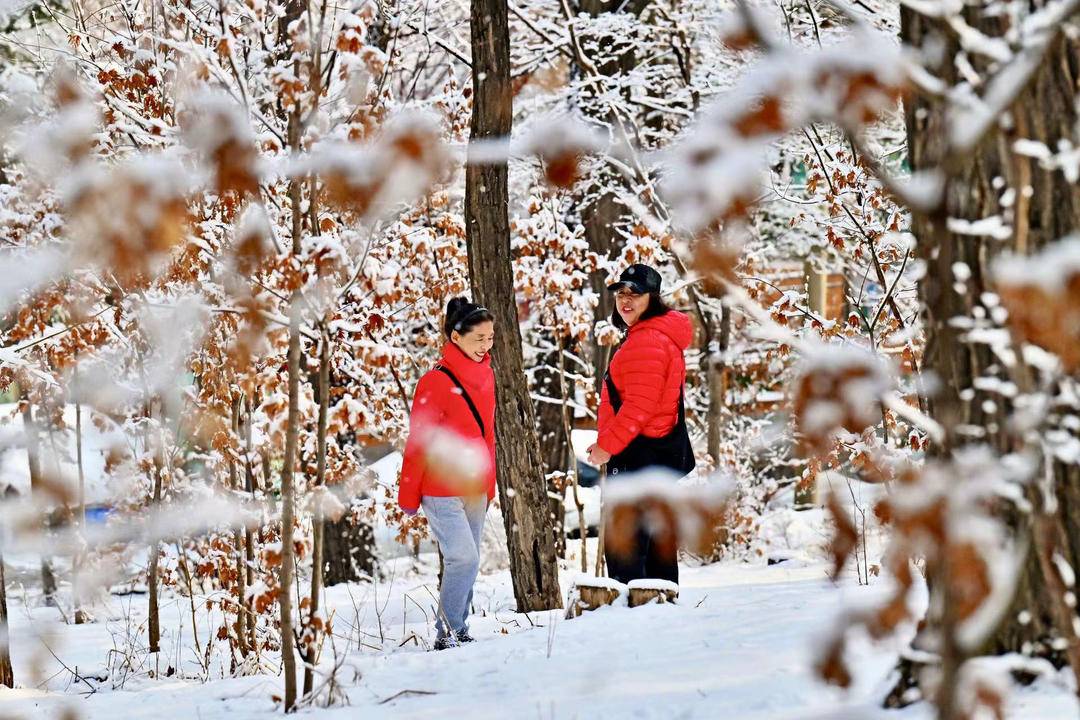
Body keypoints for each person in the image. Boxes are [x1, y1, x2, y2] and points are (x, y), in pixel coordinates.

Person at [587, 263, 695, 586]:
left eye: (635, 293)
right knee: (656, 553)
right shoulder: (659, 337)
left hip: (637, 456)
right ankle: (659, 620)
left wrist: (607, 447)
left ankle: (630, 626)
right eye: (621, 293)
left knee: (627, 556)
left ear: (653, 298)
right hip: (657, 456)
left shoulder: (647, 341)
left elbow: (639, 407)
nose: (626, 300)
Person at [399, 297, 496, 650]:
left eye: (490, 338)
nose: (486, 346)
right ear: (456, 337)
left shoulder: (487, 375)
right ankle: (448, 632)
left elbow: (488, 434)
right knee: (463, 557)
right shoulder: (434, 382)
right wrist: (408, 495)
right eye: (478, 339)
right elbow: (419, 442)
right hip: (440, 490)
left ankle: (459, 629)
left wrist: (490, 481)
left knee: (469, 561)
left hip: (474, 488)